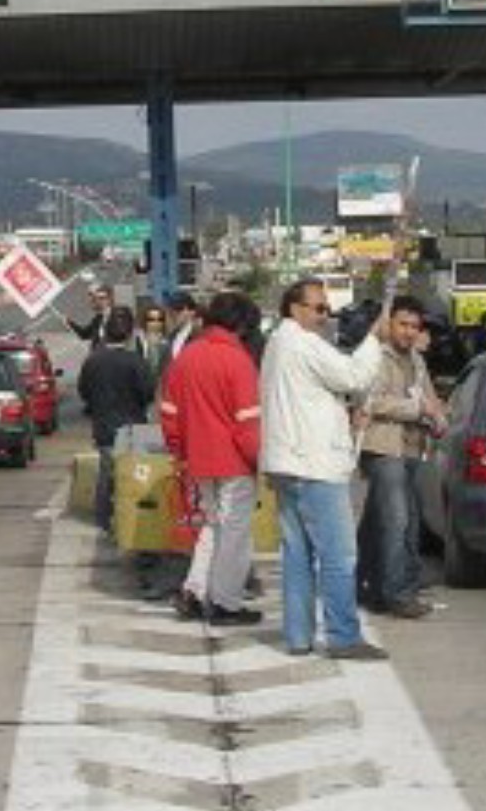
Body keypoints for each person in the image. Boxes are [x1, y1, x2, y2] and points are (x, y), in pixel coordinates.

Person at [260, 278, 387, 661]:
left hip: (286, 461)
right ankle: (343, 635)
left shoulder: (277, 345)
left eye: (326, 308)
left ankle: (298, 636)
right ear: (294, 309)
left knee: (297, 553)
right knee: (338, 555)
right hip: (314, 464)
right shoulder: (304, 343)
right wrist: (374, 339)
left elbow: (314, 395)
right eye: (318, 308)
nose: (324, 315)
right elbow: (353, 376)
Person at [161, 291, 264, 626]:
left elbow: (169, 412)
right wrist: (259, 460)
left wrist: (179, 451)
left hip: (197, 459)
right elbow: (248, 422)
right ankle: (225, 603)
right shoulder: (239, 361)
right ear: (242, 325)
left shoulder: (187, 358)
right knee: (235, 533)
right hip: (234, 462)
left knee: (211, 525)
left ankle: (193, 590)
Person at [357, 298, 446, 620]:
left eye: (414, 326)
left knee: (379, 522)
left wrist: (437, 417)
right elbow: (371, 401)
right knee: (398, 520)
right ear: (388, 324)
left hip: (411, 447)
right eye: (402, 325)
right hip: (383, 448)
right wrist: (416, 409)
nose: (409, 332)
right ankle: (398, 592)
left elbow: (429, 398)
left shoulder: (416, 360)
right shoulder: (376, 358)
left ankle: (369, 584)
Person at [76, 308, 155, 535]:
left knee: (106, 473)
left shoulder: (93, 361)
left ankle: (103, 519)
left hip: (103, 424)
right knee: (133, 475)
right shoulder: (135, 362)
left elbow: (84, 391)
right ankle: (130, 518)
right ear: (130, 334)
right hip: (132, 426)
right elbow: (148, 392)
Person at [66, 284, 128, 348]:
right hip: (98, 354)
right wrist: (71, 323)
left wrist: (108, 314)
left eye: (102, 298)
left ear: (110, 299)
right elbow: (84, 335)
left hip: (113, 353)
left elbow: (120, 334)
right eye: (97, 299)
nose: (99, 301)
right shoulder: (98, 318)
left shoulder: (121, 313)